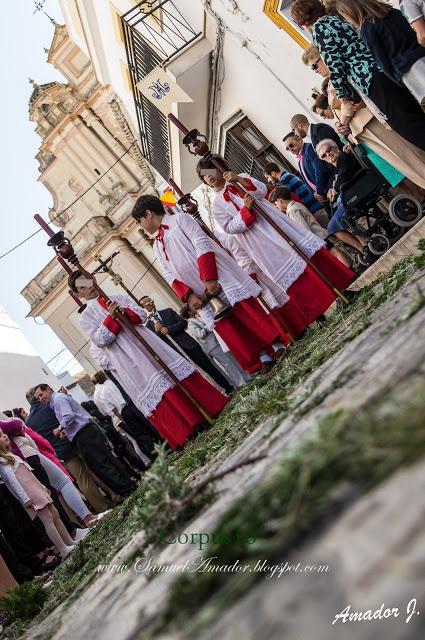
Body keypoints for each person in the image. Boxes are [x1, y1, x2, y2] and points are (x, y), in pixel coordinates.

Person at [132, 194, 290, 374]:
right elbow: (169, 274)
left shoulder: (180, 220)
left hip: (218, 277)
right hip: (199, 294)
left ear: (148, 213)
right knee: (231, 327)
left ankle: (276, 346)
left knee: (245, 313)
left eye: (139, 221)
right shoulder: (156, 245)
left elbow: (201, 243)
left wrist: (209, 278)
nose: (141, 227)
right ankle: (262, 357)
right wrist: (189, 296)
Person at [67, 274, 228, 449]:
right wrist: (110, 318)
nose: (87, 287)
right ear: (78, 294)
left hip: (147, 343)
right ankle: (189, 428)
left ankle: (209, 408)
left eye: (87, 281)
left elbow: (141, 316)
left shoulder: (116, 297)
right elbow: (99, 340)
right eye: (81, 287)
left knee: (171, 372)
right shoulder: (86, 317)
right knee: (157, 387)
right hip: (128, 356)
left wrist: (124, 311)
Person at [194, 156, 355, 326]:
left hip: (275, 225)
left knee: (306, 255)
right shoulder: (217, 205)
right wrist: (245, 211)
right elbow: (229, 227)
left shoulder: (239, 178)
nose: (209, 176)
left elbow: (262, 191)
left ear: (220, 168)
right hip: (259, 241)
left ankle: (340, 290)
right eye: (204, 175)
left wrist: (239, 180)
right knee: (291, 274)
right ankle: (319, 311)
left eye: (210, 170)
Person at [291, 0, 425, 151]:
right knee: (414, 115)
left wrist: (342, 95)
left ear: (303, 20)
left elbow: (335, 63)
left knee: (407, 124)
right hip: (381, 71)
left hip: (370, 78)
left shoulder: (319, 28)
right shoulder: (335, 19)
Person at [301, 43, 425, 193]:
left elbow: (351, 102)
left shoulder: (339, 75)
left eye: (315, 66)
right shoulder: (334, 79)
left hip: (370, 124)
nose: (316, 71)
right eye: (313, 69)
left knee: (408, 157)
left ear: (324, 57)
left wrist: (343, 123)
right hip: (364, 130)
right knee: (404, 163)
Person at [33, 384, 137, 498]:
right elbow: (72, 417)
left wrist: (59, 428)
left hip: (84, 434)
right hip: (86, 432)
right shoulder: (57, 400)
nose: (40, 399)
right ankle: (129, 485)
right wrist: (65, 431)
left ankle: (126, 489)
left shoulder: (58, 399)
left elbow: (68, 416)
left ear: (48, 389)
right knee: (107, 459)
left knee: (101, 464)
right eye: (38, 398)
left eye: (41, 395)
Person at [0, 417, 96, 531]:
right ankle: (79, 526)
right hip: (26, 456)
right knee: (54, 492)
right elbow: (14, 425)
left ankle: (81, 523)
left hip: (27, 455)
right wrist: (19, 424)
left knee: (55, 490)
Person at [25, 388, 111, 514]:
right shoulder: (49, 406)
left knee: (83, 480)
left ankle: (103, 508)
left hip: (62, 452)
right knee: (96, 467)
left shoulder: (29, 422)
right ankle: (113, 494)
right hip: (75, 441)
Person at [0, 428, 76, 560]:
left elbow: (29, 472)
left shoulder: (12, 455)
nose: (5, 436)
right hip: (29, 493)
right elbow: (13, 482)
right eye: (1, 436)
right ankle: (63, 549)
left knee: (55, 514)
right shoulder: (2, 462)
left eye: (3, 433)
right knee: (47, 519)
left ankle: (69, 542)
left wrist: (42, 486)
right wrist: (25, 499)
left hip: (36, 488)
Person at [336, 0, 425, 109]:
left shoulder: (367, 29)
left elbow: (382, 62)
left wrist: (397, 78)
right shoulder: (392, 11)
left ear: (350, 12)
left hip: (409, 71)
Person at [139, 296, 235, 394]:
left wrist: (169, 329)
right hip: (176, 354)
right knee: (196, 376)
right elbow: (157, 343)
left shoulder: (168, 311)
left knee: (209, 367)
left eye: (151, 301)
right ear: (143, 308)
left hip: (190, 345)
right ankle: (216, 395)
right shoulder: (149, 327)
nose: (151, 304)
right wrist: (157, 331)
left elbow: (183, 322)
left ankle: (228, 388)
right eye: (148, 304)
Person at [316, 138, 369, 253]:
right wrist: (332, 189)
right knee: (332, 226)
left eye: (329, 150)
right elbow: (339, 179)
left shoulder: (343, 157)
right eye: (324, 155)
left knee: (335, 224)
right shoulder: (337, 166)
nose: (328, 154)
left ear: (336, 148)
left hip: (357, 193)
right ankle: (362, 247)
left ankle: (364, 245)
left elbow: (342, 178)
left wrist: (334, 189)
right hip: (350, 197)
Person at [91, 371, 156, 461]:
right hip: (121, 414)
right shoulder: (106, 386)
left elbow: (104, 412)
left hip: (116, 418)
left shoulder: (95, 396)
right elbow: (114, 408)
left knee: (134, 440)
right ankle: (149, 458)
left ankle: (147, 459)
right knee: (138, 437)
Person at [179, 308, 251, 389]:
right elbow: (200, 334)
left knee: (232, 358)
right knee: (227, 363)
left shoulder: (197, 318)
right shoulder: (190, 323)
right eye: (192, 308)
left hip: (216, 341)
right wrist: (208, 326)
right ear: (189, 312)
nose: (194, 308)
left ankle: (247, 376)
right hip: (211, 345)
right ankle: (240, 382)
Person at [282, 132, 334, 219]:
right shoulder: (299, 161)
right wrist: (314, 194)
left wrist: (319, 192)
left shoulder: (308, 148)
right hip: (322, 197)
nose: (290, 149)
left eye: (291, 145)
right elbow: (307, 181)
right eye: (287, 148)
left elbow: (319, 170)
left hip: (329, 190)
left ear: (299, 139)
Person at [263, 161, 330, 223]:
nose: (268, 181)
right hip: (315, 206)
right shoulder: (287, 176)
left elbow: (284, 198)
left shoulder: (285, 180)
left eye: (267, 177)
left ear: (273, 173)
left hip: (314, 209)